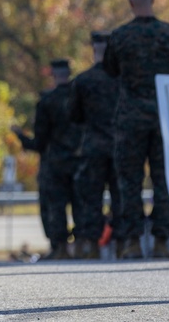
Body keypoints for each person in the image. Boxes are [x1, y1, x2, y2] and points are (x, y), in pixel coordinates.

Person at [103, 0, 169, 259]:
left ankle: (133, 241)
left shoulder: (119, 37)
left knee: (129, 181)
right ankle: (161, 241)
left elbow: (111, 70)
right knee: (163, 180)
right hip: (164, 117)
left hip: (130, 119)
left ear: (131, 3)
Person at [15, 59, 83, 260]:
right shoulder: (80, 97)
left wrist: (21, 136)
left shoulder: (47, 101)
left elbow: (40, 142)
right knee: (81, 204)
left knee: (55, 206)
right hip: (80, 160)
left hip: (54, 164)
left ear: (53, 74)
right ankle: (83, 245)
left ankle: (60, 247)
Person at [69, 31, 120, 259]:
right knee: (121, 196)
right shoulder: (123, 78)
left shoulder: (83, 80)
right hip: (120, 147)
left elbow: (75, 116)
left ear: (94, 50)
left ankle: (92, 245)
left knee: (92, 199)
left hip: (93, 147)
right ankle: (124, 243)